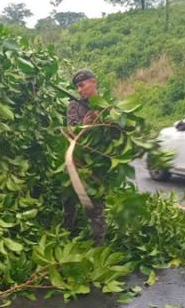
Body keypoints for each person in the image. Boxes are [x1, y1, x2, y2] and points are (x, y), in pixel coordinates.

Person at [63, 68, 106, 245]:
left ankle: (99, 245)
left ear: (93, 82)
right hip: (76, 161)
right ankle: (67, 237)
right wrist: (85, 125)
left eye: (82, 85)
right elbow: (71, 130)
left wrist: (103, 121)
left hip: (95, 163)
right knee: (68, 200)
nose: (80, 90)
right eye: (77, 87)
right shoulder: (74, 105)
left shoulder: (106, 105)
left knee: (95, 206)